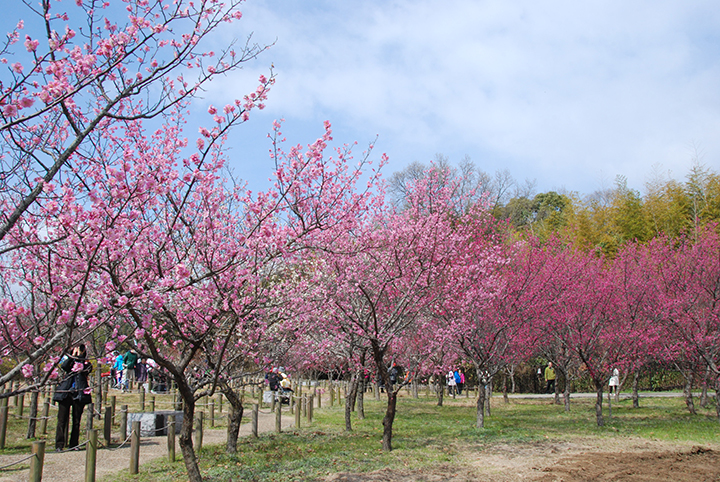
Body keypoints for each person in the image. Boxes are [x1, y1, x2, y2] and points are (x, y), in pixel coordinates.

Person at [53, 344, 93, 451]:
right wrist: (73, 356)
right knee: (62, 420)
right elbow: (65, 367)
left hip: (79, 393)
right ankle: (59, 444)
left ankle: (74, 444)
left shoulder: (85, 362)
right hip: (66, 393)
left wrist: (80, 357)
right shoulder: (69, 361)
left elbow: (87, 370)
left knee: (76, 421)